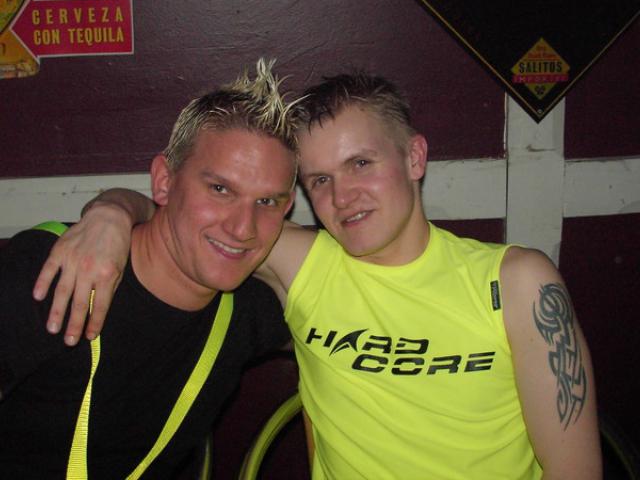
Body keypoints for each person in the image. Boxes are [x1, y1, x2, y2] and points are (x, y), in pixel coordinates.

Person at [35, 72, 602, 479]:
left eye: (361, 163)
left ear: (414, 158)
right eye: (320, 180)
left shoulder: (519, 284)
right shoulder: (302, 262)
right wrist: (110, 213)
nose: (343, 196)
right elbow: (185, 215)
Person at [0, 59, 299, 478]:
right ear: (164, 181)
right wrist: (114, 207)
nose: (242, 228)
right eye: (220, 189)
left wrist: (116, 205)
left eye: (266, 202)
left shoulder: (251, 309)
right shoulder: (55, 268)